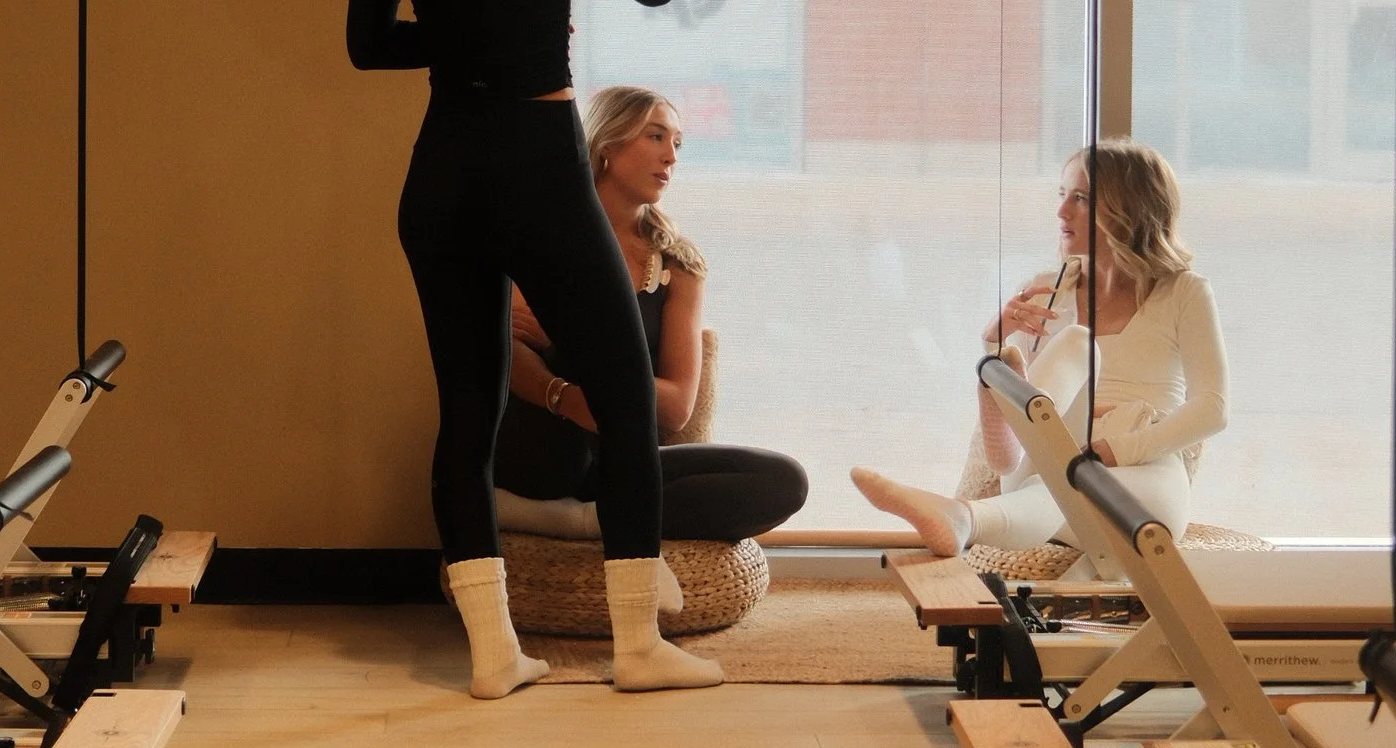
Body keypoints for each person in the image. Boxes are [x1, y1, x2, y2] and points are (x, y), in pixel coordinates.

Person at [346, 0, 721, 700]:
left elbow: (366, 42)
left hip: (442, 170)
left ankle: (491, 653)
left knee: (464, 419)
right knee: (624, 403)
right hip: (535, 164)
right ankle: (639, 650)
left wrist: (465, 39)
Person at [852, 139, 1227, 560]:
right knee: (1074, 344)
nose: (1061, 212)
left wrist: (1117, 450)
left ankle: (963, 518)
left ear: (1130, 209)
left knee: (1064, 492)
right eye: (1061, 195)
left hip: (1142, 465)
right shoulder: (1048, 291)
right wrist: (994, 341)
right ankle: (1005, 409)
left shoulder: (1183, 292)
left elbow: (1212, 407)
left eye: (1081, 198)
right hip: (1046, 451)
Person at [495, 86, 810, 548]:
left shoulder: (677, 265)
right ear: (608, 143)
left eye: (677, 143)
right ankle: (600, 513)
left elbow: (678, 405)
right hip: (544, 442)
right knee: (560, 443)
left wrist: (568, 343)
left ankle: (580, 521)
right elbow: (505, 352)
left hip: (624, 456)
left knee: (783, 480)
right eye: (656, 137)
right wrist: (564, 397)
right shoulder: (540, 238)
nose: (672, 157)